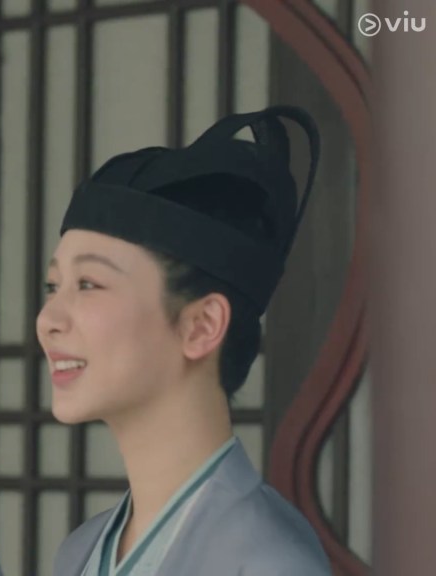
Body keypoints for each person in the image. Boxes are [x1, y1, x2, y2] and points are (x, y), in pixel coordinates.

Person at [40, 106, 331, 575]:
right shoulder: (80, 551)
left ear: (202, 325)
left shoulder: (268, 562)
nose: (48, 320)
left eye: (88, 284)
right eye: (53, 287)